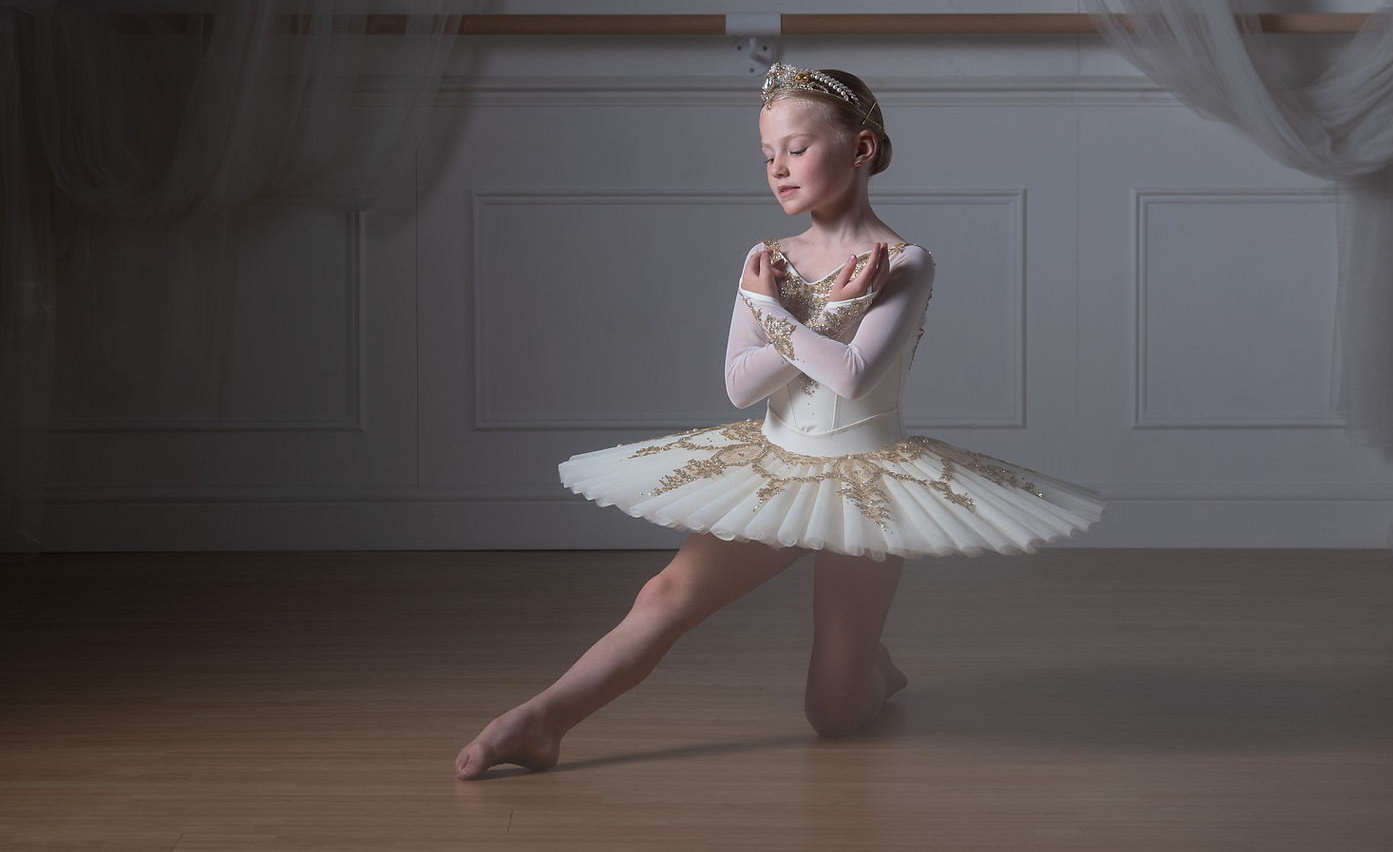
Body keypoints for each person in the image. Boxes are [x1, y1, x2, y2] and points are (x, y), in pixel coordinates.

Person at [455, 63, 1104, 779]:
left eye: (796, 149)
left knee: (832, 716)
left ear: (861, 149)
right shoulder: (768, 261)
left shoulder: (904, 263)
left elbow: (852, 376)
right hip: (773, 463)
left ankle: (872, 670)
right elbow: (739, 386)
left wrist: (781, 316)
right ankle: (539, 721)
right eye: (767, 155)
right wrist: (803, 313)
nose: (778, 169)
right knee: (664, 595)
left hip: (866, 484)